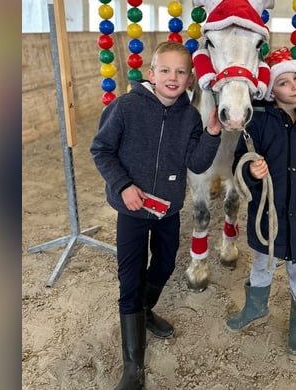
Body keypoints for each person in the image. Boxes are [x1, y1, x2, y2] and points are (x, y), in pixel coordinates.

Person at [91, 41, 222, 390]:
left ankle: (145, 311)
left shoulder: (191, 117)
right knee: (130, 277)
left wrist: (211, 134)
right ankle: (133, 367)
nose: (172, 77)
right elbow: (101, 149)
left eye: (181, 72)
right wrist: (122, 186)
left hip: (167, 210)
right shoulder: (126, 108)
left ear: (190, 79)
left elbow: (196, 163)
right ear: (151, 73)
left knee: (164, 265)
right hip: (132, 209)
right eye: (165, 70)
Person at [227, 47, 296, 361]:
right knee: (262, 266)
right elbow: (240, 165)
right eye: (284, 82)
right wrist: (251, 171)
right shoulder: (257, 125)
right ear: (271, 90)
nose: (294, 86)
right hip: (267, 217)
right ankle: (255, 306)